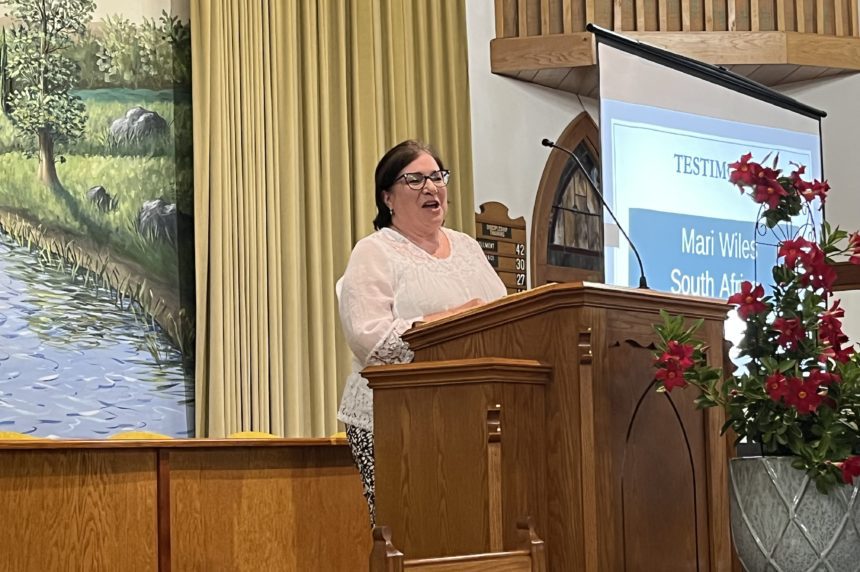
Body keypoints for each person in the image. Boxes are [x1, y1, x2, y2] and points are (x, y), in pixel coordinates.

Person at [336, 140, 507, 525]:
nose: (431, 188)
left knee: (472, 530)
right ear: (388, 198)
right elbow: (372, 340)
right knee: (410, 532)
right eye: (415, 179)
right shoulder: (375, 251)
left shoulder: (467, 247)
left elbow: (502, 318)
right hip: (396, 419)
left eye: (436, 177)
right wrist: (452, 319)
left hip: (473, 415)